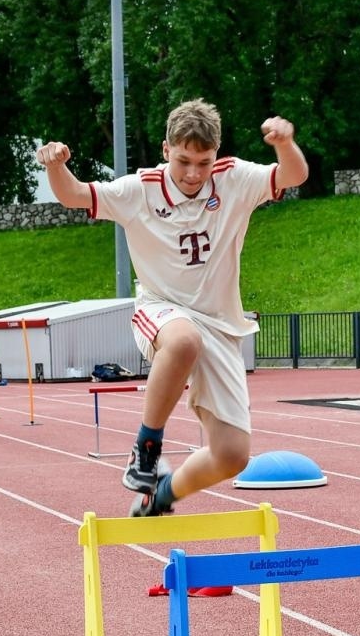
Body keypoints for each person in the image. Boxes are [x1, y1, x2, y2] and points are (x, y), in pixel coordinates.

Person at [37, 99, 307, 517]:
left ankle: (161, 494)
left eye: (203, 162)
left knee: (232, 454)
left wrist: (285, 144)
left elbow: (294, 175)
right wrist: (56, 166)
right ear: (166, 151)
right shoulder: (139, 190)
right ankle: (145, 449)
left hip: (220, 325)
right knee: (183, 341)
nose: (194, 174)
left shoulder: (234, 178)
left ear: (216, 155)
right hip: (161, 309)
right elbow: (73, 195)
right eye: (183, 161)